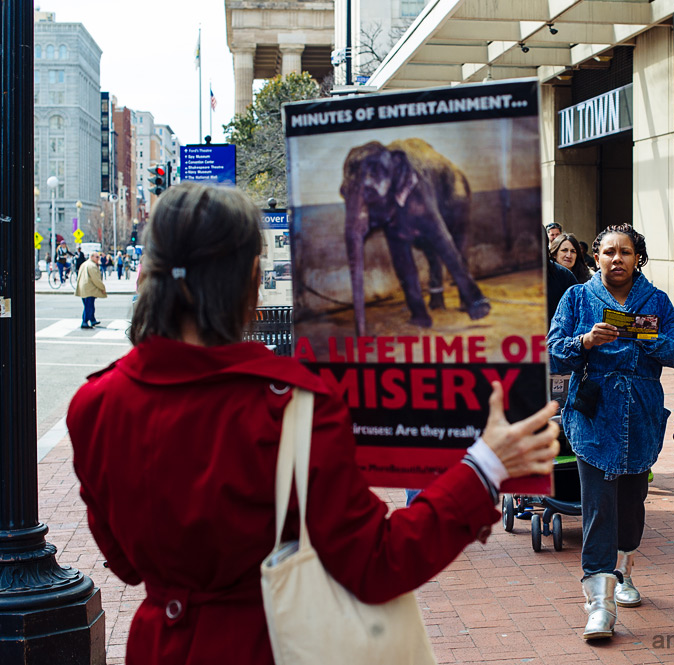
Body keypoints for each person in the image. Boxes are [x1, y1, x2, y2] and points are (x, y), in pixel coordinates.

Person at [67, 183, 561, 664]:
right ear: (251, 278)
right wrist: (484, 468)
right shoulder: (288, 404)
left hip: (158, 646)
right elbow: (375, 562)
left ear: (146, 275)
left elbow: (128, 565)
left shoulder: (93, 403)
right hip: (268, 644)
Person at [549, 224, 674, 640]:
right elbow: (553, 349)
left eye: (625, 252)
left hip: (641, 416)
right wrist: (586, 340)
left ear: (637, 258)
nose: (617, 259)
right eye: (608, 252)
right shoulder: (576, 297)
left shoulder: (657, 301)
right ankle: (599, 604)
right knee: (598, 509)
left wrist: (647, 336)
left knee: (631, 506)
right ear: (596, 258)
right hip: (595, 417)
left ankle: (624, 572)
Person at [74, 251, 106, 329]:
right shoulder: (92, 266)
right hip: (89, 288)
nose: (98, 258)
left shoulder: (84, 264)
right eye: (97, 257)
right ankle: (84, 322)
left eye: (99, 257)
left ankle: (92, 319)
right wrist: (102, 288)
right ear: (91, 257)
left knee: (89, 305)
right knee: (89, 306)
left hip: (84, 288)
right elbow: (96, 279)